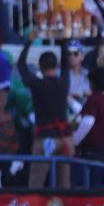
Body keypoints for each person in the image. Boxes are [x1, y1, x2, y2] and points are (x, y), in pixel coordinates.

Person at [17, 30, 72, 188]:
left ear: (40, 67)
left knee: (36, 183)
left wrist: (29, 42)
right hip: (64, 139)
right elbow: (67, 64)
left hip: (44, 138)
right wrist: (61, 41)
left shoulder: (36, 84)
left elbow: (21, 65)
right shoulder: (64, 83)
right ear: (57, 66)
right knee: (64, 185)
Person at [73, 68, 104, 185]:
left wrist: (74, 141)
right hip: (103, 149)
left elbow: (87, 122)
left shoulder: (95, 99)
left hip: (89, 150)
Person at [67, 40, 90, 105]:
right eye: (69, 54)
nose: (72, 57)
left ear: (82, 56)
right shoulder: (60, 74)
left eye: (75, 53)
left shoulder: (89, 74)